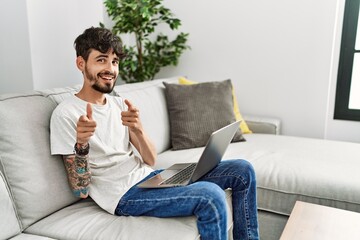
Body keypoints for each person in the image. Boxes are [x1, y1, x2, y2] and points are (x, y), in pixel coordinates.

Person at [50, 26, 259, 240]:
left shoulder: (119, 104)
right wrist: (82, 145)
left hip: (151, 177)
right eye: (101, 60)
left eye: (114, 62)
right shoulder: (66, 114)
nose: (110, 69)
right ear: (81, 63)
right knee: (210, 195)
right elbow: (80, 191)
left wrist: (137, 128)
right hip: (123, 195)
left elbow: (150, 160)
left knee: (242, 170)